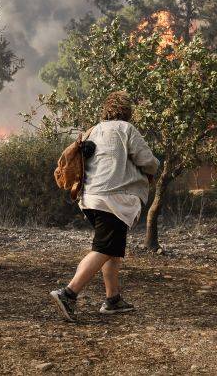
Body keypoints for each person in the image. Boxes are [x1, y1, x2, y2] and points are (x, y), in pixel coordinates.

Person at [50, 91, 159, 322]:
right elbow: (147, 162)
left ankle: (113, 300)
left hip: (90, 199)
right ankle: (69, 294)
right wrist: (154, 167)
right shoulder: (126, 129)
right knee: (103, 249)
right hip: (114, 200)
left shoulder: (92, 130)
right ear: (127, 110)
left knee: (111, 250)